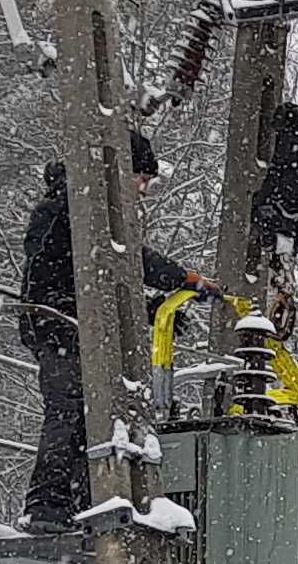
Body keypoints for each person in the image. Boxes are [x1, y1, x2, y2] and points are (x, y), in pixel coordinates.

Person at [20, 129, 218, 528]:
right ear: (119, 171)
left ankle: (70, 505)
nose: (143, 190)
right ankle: (45, 506)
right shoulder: (75, 209)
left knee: (88, 416)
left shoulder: (83, 210)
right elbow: (119, 264)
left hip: (73, 323)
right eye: (141, 179)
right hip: (59, 325)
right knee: (70, 412)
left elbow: (104, 281)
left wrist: (150, 308)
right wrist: (184, 279)